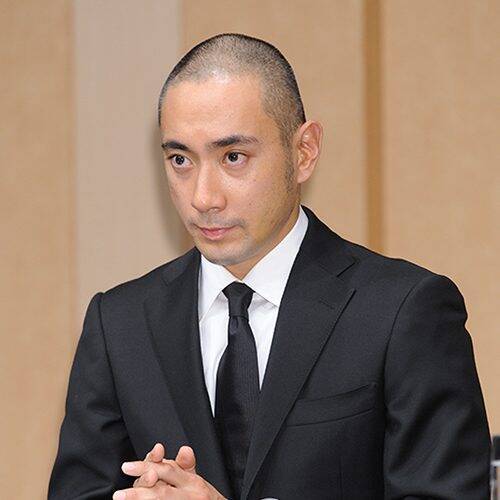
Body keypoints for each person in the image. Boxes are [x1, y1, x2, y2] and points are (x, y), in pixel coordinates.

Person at [48, 33, 491, 500]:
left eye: (233, 157)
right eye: (180, 160)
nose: (203, 198)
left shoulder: (403, 311)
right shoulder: (120, 324)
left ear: (304, 152)